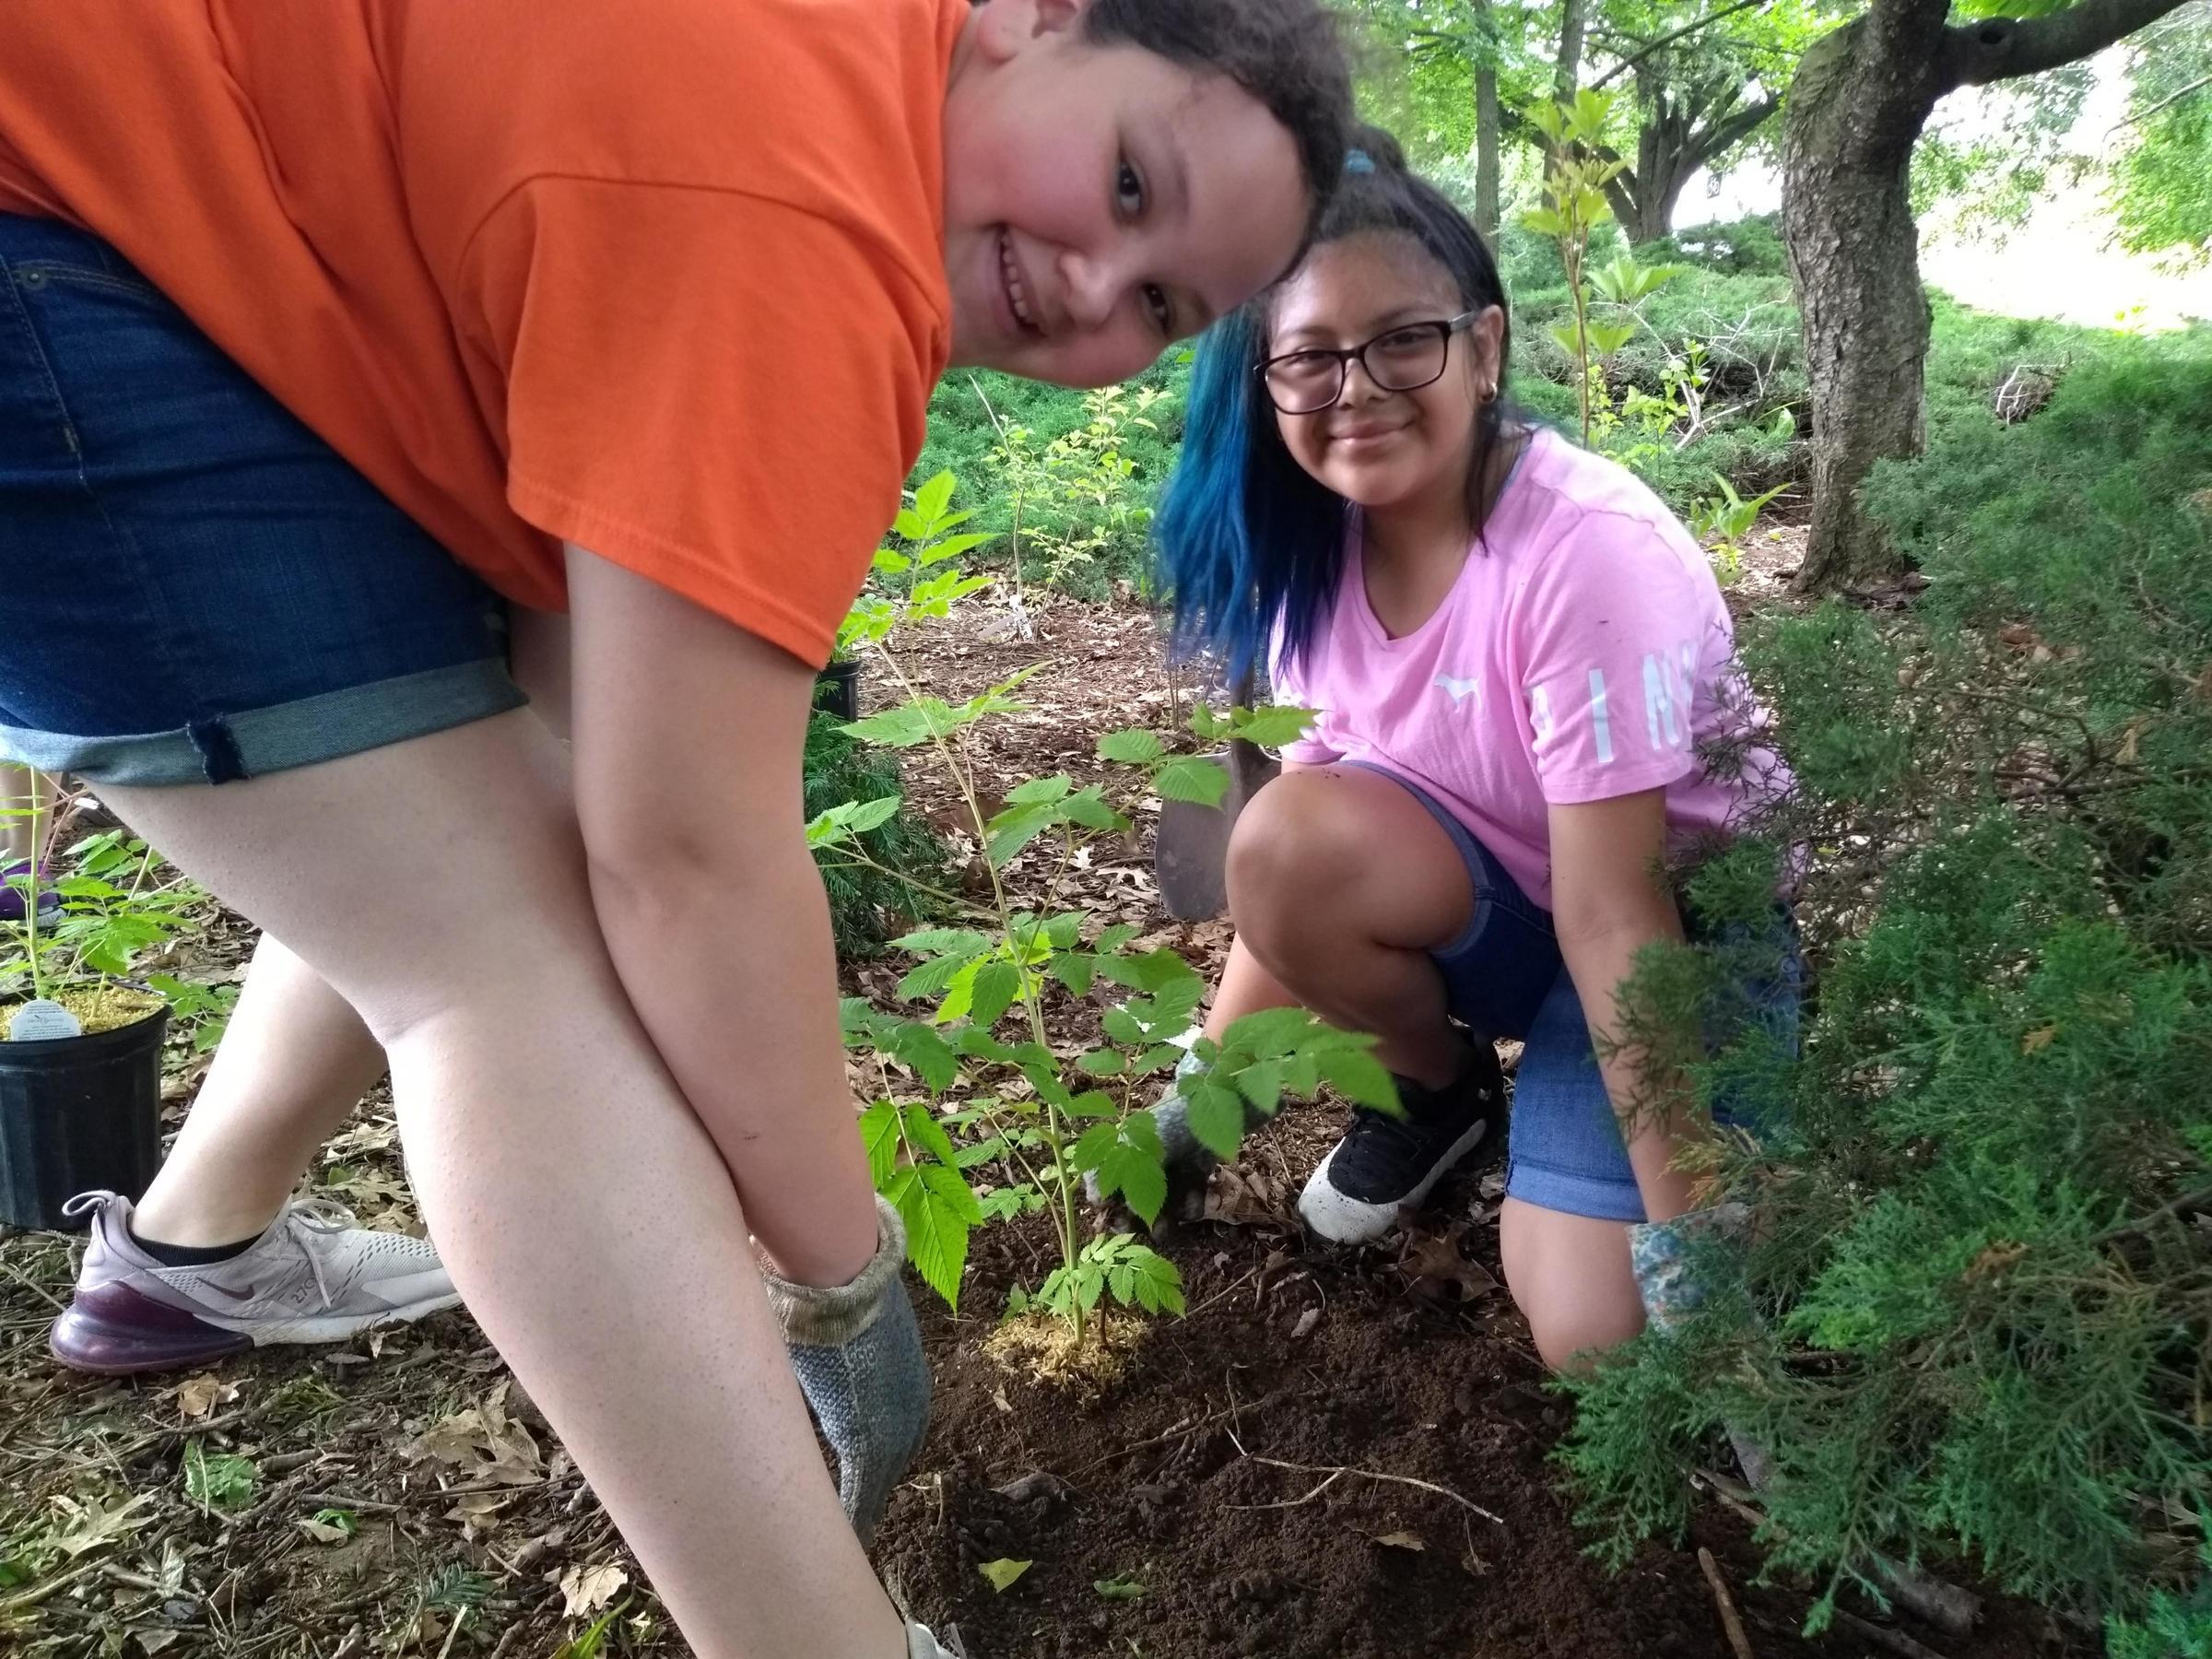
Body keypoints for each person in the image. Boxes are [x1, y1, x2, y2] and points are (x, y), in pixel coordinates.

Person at [0, 2, 1355, 1653]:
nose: (1092, 289)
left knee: (463, 846)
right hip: (47, 221)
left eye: (1160, 305)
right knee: (497, 972)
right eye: (1131, 183)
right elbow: (688, 859)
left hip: (127, 194)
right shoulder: (804, 217)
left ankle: (195, 1247)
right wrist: (841, 1269)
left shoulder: (823, 83)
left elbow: (590, 719)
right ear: (1026, 19)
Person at [1146, 132, 1796, 1370]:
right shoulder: (1312, 557)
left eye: (1404, 340)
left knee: (1599, 1336)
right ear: (1266, 384)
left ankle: (1706, 1159)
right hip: (1506, 911)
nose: (1359, 387)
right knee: (1278, 835)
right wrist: (1199, 1096)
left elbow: (1619, 915)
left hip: (1676, 931)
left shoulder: (1581, 552)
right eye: (1310, 358)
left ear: (1483, 347)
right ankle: (1436, 1099)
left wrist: (1690, 1232)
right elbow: (1302, 854)